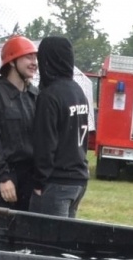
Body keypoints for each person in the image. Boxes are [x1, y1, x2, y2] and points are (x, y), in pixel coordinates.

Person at [29, 35, 92, 218]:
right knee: (65, 233)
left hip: (57, 181)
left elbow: (45, 143)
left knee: (46, 234)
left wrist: (39, 182)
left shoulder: (49, 96)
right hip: (79, 178)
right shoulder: (78, 91)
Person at [0, 35, 38, 211]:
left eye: (35, 57)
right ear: (11, 61)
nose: (34, 62)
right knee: (0, 226)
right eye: (28, 57)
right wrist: (2, 177)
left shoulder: (35, 95)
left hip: (29, 179)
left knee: (26, 227)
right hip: (2, 179)